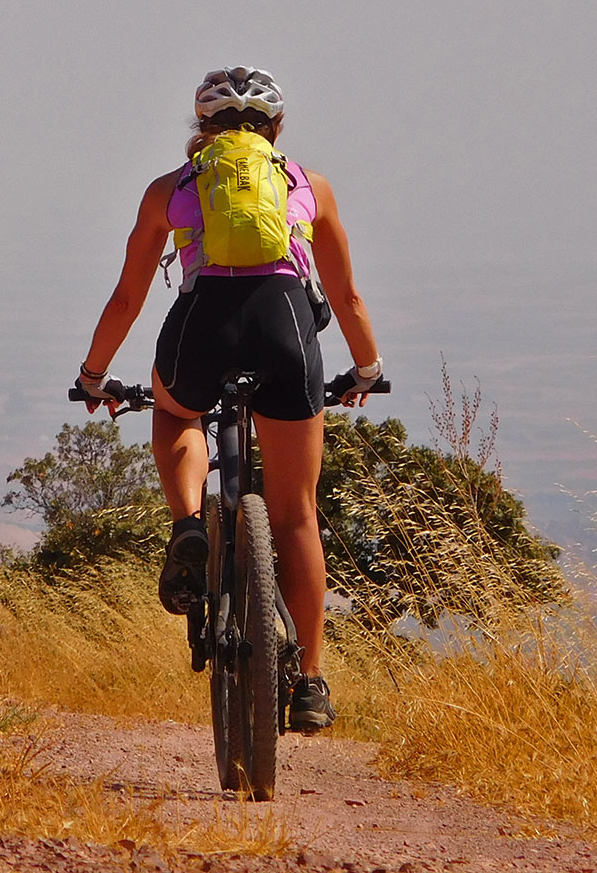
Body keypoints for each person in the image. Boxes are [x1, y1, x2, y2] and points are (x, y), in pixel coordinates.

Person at [75, 66, 384, 733]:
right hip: (286, 331)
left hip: (201, 329)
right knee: (296, 514)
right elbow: (349, 297)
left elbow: (126, 298)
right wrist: (366, 368)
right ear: (275, 130)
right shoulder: (309, 186)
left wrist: (94, 376)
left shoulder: (172, 189)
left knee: (177, 413)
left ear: (201, 129)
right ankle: (309, 681)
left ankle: (189, 522)